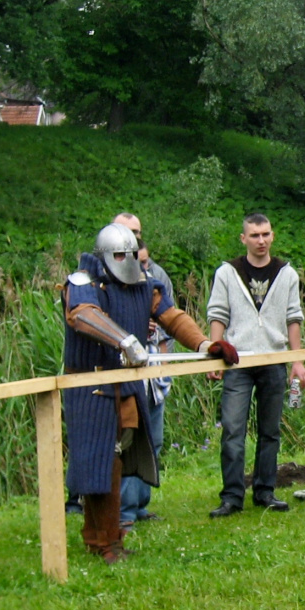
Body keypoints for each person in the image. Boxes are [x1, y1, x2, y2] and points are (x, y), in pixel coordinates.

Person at [62, 224, 232, 563]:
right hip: (89, 386)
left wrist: (204, 344)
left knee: (117, 457)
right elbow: (83, 315)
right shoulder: (82, 283)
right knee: (100, 463)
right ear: (106, 256)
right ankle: (101, 541)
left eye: (133, 255)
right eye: (121, 256)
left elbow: (171, 316)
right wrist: (125, 341)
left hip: (124, 383)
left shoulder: (144, 285)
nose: (129, 262)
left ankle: (110, 536)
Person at [208, 214, 305, 518]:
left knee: (270, 431)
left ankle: (265, 491)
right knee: (233, 431)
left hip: (274, 360)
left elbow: (294, 318)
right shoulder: (227, 273)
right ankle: (232, 497)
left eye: (265, 234)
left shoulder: (286, 273)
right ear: (244, 239)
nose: (261, 241)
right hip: (237, 361)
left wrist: (297, 361)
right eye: (254, 235)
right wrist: (215, 354)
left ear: (272, 236)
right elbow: (218, 314)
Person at [119, 242, 174, 527]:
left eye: (145, 263)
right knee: (129, 444)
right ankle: (124, 513)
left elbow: (169, 323)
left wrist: (165, 372)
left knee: (155, 441)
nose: (143, 269)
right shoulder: (114, 287)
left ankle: (141, 506)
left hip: (154, 377)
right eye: (138, 264)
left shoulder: (156, 280)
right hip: (127, 381)